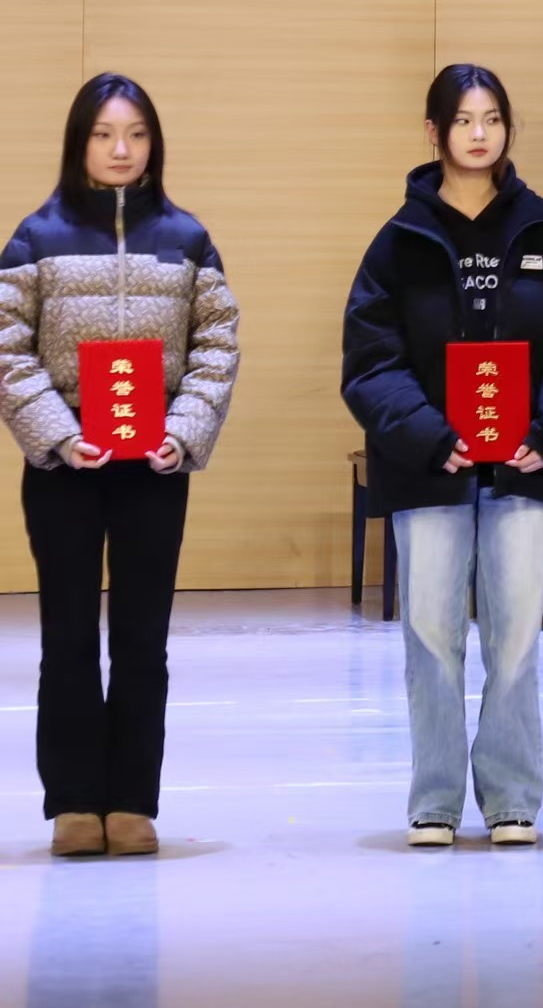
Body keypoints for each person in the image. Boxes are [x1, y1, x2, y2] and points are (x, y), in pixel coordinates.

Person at [341, 64, 543, 848]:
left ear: (507, 129)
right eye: (463, 120)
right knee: (430, 635)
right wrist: (431, 436)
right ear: (435, 132)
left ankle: (512, 798)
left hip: (524, 468)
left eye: (492, 118)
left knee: (515, 636)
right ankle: (433, 801)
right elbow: (370, 363)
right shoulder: (397, 242)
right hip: (428, 470)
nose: (479, 133)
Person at [0, 74, 239, 858]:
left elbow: (216, 346)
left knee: (142, 638)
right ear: (79, 142)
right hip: (63, 467)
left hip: (152, 468)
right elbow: (8, 350)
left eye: (135, 134)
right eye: (104, 134)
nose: (121, 149)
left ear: (153, 143)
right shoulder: (36, 237)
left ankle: (133, 800)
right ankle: (74, 802)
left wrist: (183, 432)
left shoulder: (187, 238)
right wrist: (59, 435)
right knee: (68, 635)